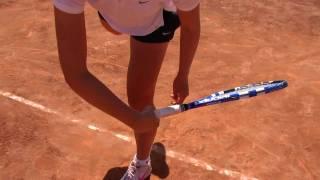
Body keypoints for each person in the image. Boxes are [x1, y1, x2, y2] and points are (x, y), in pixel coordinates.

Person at [53, 0, 200, 179]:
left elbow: (191, 27)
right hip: (114, 17)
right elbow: (75, 73)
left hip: (155, 22)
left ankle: (142, 163)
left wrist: (182, 74)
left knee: (139, 100)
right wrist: (134, 120)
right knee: (116, 24)